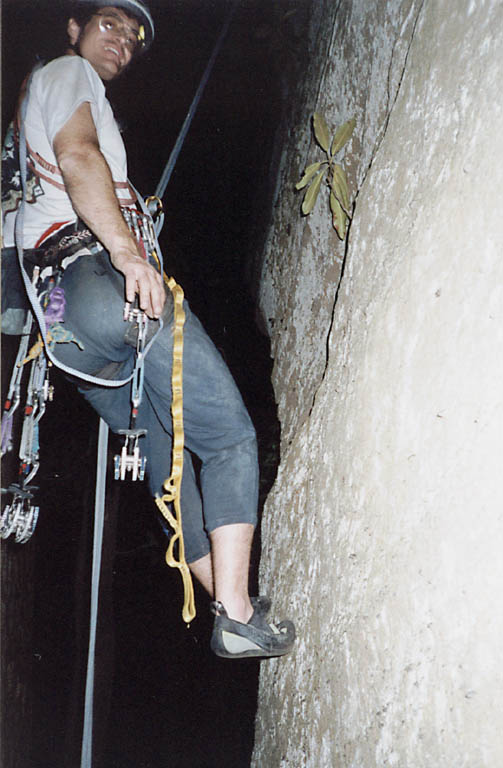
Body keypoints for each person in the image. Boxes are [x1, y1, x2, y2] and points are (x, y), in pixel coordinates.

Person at [1, 0, 295, 659]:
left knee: (166, 449)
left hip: (70, 339)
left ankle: (225, 600)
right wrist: (131, 254)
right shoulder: (70, 74)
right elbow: (78, 157)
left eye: (134, 36)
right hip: (101, 285)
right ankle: (241, 616)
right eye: (112, 23)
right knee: (227, 439)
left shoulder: (34, 97)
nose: (125, 42)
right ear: (74, 29)